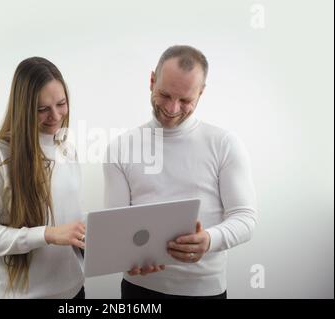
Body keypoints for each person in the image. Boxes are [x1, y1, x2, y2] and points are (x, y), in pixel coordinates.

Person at [103, 45, 257, 299]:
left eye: (185, 100)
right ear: (152, 81)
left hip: (204, 291)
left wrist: (209, 239)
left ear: (201, 93)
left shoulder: (224, 143)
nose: (172, 109)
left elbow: (245, 218)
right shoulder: (120, 147)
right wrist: (127, 256)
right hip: (139, 289)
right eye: (164, 94)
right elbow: (116, 225)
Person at [0, 57, 86, 298]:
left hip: (73, 293)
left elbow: (68, 218)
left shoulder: (66, 150)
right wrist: (47, 234)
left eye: (61, 104)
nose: (55, 115)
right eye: (42, 109)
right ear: (23, 107)